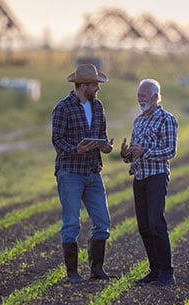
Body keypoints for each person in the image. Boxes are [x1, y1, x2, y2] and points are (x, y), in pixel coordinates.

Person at [51, 63, 115, 283]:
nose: (98, 88)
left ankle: (97, 270)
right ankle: (73, 273)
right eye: (95, 84)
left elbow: (102, 135)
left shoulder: (98, 107)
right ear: (84, 85)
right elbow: (57, 141)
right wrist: (75, 149)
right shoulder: (63, 108)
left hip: (92, 171)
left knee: (103, 221)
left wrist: (105, 146)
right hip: (70, 172)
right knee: (71, 223)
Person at [120, 79, 178, 286]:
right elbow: (136, 153)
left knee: (156, 224)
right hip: (140, 177)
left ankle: (167, 272)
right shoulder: (139, 120)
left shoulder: (167, 119)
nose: (140, 98)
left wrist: (146, 152)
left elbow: (171, 151)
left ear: (155, 96)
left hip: (156, 177)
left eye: (144, 95)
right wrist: (127, 155)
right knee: (144, 226)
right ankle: (154, 270)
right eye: (138, 94)